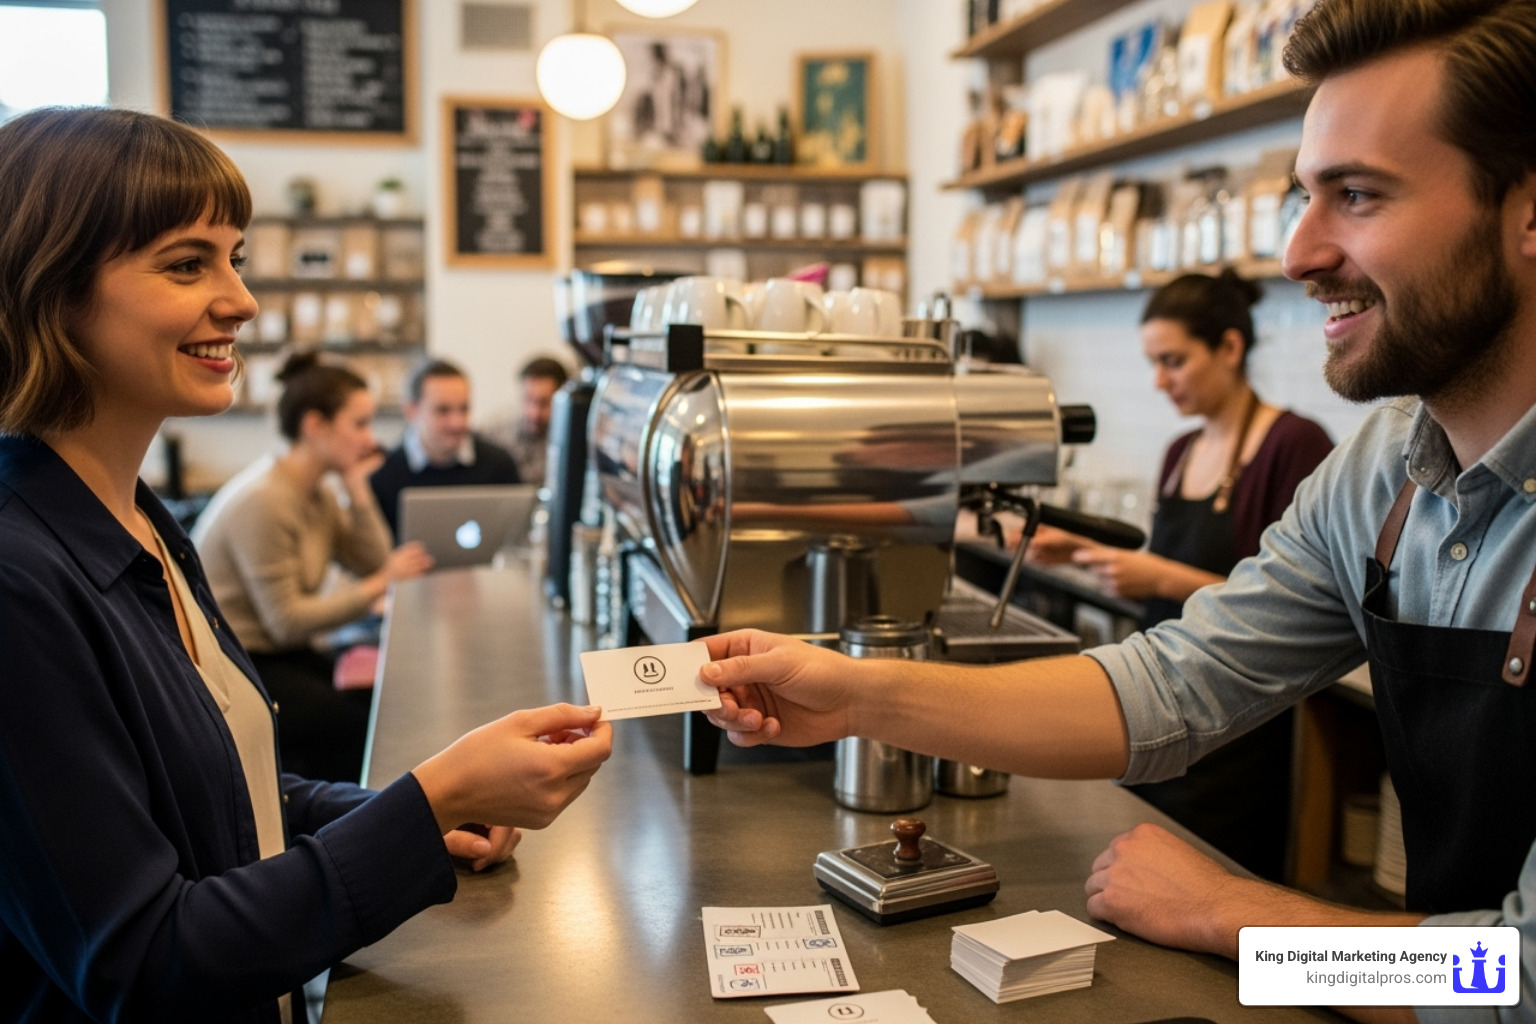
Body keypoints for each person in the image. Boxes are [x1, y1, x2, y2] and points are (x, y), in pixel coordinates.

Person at [698, 2, 1536, 1021]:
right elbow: (1173, 685)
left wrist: (1237, 918)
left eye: (1358, 196)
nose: (1298, 253)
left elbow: (1515, 982)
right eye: (1304, 197)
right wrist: (859, 697)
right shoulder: (1384, 469)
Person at [0, 106, 612, 1022]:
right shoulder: (17, 581)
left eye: (234, 258)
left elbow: (222, 793)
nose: (242, 301)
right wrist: (426, 802)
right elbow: (144, 960)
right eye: (185, 263)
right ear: (48, 289)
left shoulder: (140, 523)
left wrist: (417, 809)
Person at [1026, 270, 1334, 880]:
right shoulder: (1179, 451)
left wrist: (1158, 577)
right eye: (1153, 363)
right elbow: (1162, 561)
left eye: (1174, 361)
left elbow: (1297, 607)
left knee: (1220, 888)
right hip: (1164, 701)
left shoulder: (1294, 445)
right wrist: (1079, 548)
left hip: (1241, 724)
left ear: (1229, 347)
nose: (1160, 381)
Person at [192, 352, 434, 781]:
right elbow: (286, 621)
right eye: (359, 424)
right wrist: (382, 580)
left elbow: (374, 561)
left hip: (282, 655)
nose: (369, 439)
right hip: (236, 667)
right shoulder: (266, 500)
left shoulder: (317, 493)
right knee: (355, 726)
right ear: (315, 426)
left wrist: (357, 488)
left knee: (382, 703)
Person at [368, 357, 521, 539]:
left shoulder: (499, 464)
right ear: (411, 411)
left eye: (464, 409)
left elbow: (518, 536)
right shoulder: (383, 473)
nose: (457, 423)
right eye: (443, 410)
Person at [481, 355, 569, 487]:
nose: (534, 413)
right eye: (528, 399)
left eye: (544, 403)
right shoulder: (492, 433)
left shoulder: (570, 440)